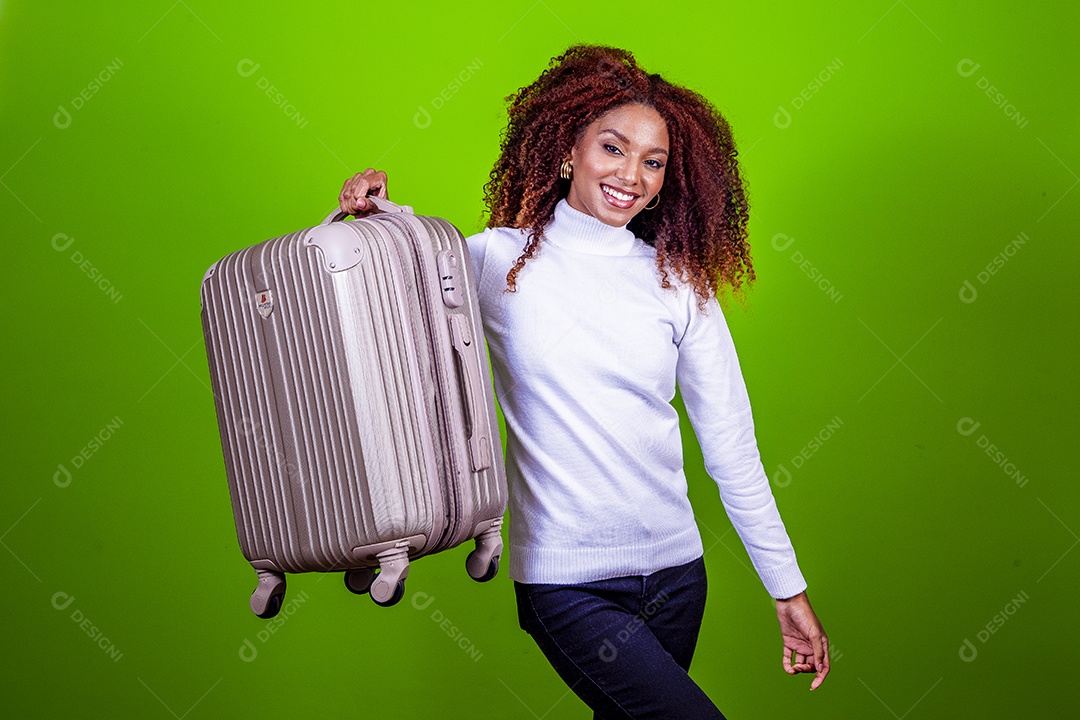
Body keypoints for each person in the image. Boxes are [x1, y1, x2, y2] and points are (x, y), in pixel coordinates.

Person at [338, 43, 829, 719]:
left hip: (677, 579)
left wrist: (788, 589)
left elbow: (732, 450)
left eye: (653, 161)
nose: (633, 174)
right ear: (569, 150)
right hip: (568, 584)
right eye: (613, 148)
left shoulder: (678, 280)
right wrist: (372, 218)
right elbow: (396, 285)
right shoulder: (494, 262)